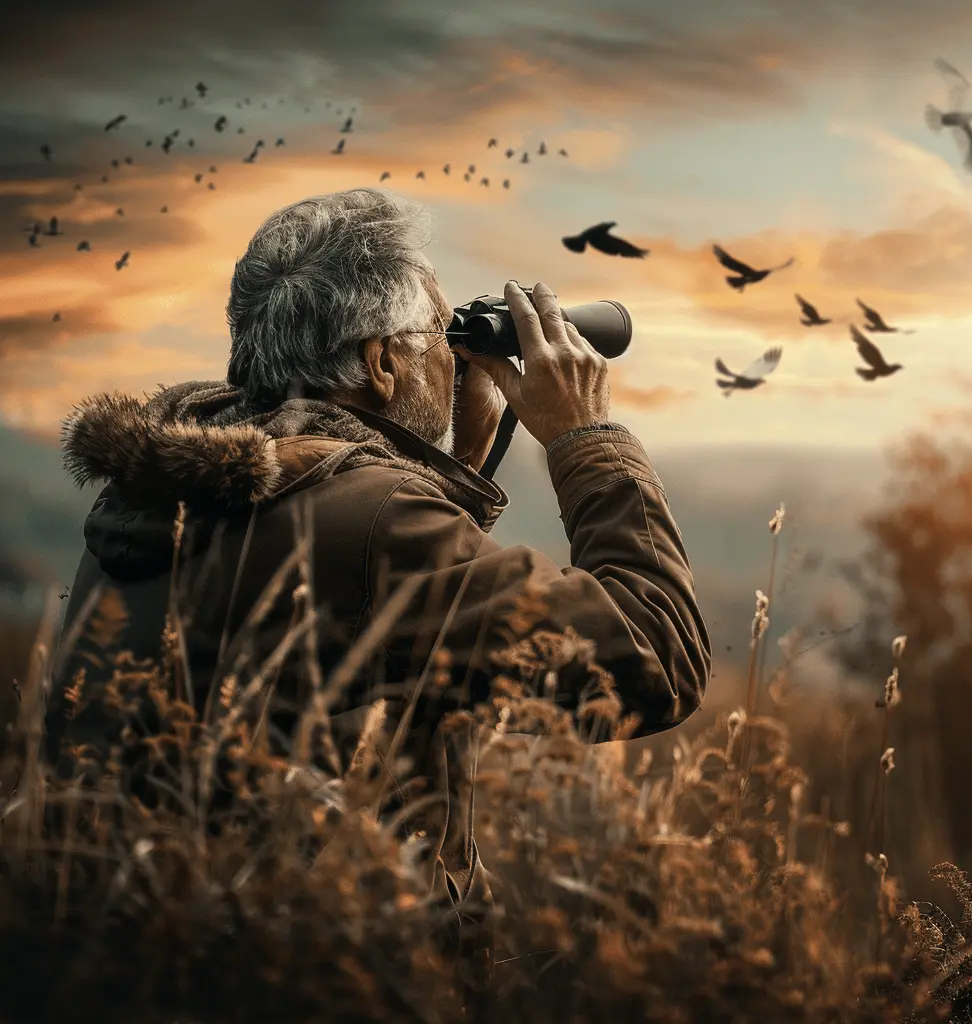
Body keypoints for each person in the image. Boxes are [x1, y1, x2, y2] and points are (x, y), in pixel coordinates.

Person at [47, 187, 712, 974]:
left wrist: (451, 469)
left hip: (144, 962)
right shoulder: (369, 522)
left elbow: (382, 619)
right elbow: (654, 660)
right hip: (339, 980)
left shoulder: (172, 488)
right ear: (381, 363)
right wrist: (585, 435)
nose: (451, 354)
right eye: (437, 333)